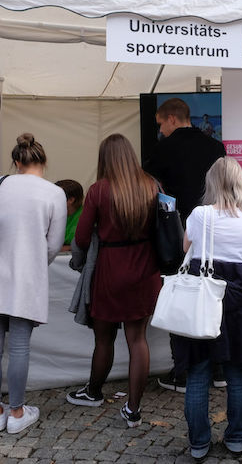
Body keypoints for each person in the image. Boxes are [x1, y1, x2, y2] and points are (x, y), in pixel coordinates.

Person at [65, 134, 161, 428]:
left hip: (109, 271)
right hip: (146, 269)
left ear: (105, 159)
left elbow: (80, 237)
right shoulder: (152, 185)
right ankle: (133, 409)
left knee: (103, 337)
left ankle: (93, 392)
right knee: (137, 339)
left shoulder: (99, 190)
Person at [176, 157, 242, 461]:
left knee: (199, 372)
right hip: (238, 298)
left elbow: (186, 248)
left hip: (204, 296)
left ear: (211, 183)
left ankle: (200, 442)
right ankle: (237, 437)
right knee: (237, 371)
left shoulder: (200, 214)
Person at [143, 97, 226, 392]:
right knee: (214, 297)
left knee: (181, 297)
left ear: (173, 119)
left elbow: (153, 188)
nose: (161, 131)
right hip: (215, 231)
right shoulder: (216, 147)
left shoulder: (163, 149)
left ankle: (182, 371)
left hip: (177, 233)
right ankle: (218, 369)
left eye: (161, 125)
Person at [0, 134, 66, 434]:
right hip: (27, 277)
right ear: (43, 162)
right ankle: (16, 411)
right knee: (19, 346)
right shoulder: (54, 193)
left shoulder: (1, 183)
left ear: (16, 162)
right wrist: (36, 262)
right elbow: (53, 245)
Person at [55, 179, 84, 251]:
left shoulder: (85, 217)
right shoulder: (54, 214)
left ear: (71, 200)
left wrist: (64, 248)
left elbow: (85, 244)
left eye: (56, 196)